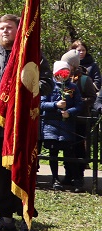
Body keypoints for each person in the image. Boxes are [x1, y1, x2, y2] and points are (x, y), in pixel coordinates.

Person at [0, 14, 52, 231]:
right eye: (1, 28)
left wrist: (28, 86)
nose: (4, 31)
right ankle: (5, 217)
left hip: (22, 130)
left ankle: (26, 221)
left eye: (9, 28)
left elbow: (46, 84)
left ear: (19, 30)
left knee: (23, 173)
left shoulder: (32, 56)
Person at [41, 59, 83, 191]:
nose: (62, 76)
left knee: (69, 153)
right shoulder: (49, 86)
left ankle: (75, 179)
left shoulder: (73, 87)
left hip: (67, 127)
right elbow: (41, 103)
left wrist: (69, 112)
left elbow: (79, 105)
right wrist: (55, 105)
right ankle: (55, 178)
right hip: (51, 126)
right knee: (53, 153)